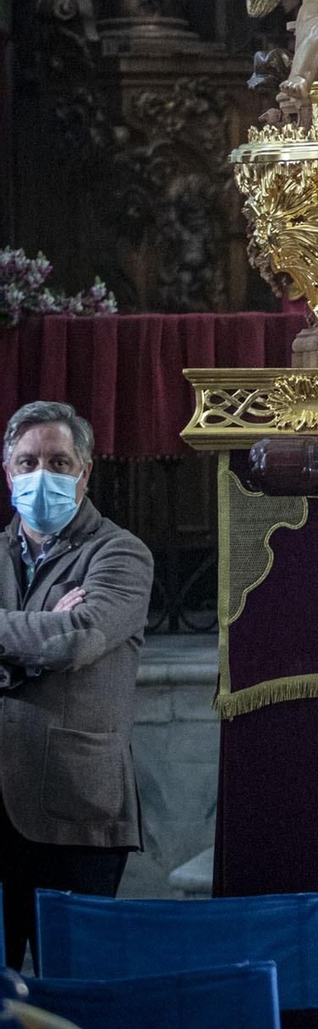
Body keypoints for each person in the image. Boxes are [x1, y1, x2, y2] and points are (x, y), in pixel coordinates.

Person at [0, 403, 152, 970]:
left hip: (75, 809)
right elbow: (54, 640)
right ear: (9, 472)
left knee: (76, 997)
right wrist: (38, 643)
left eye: (59, 461)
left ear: (85, 472)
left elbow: (81, 638)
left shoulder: (120, 552)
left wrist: (46, 640)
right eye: (28, 461)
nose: (43, 474)